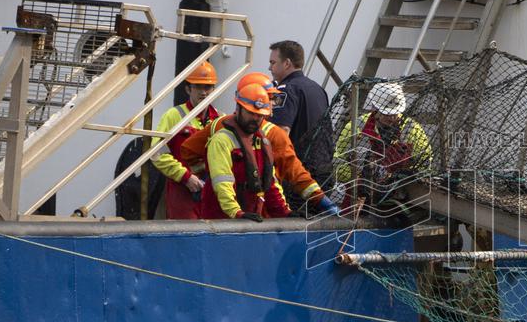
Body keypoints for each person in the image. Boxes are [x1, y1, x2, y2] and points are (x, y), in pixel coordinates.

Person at [181, 73, 340, 216]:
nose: (271, 103)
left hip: (239, 210)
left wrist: (207, 174)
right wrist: (320, 199)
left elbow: (187, 151)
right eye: (270, 98)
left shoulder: (220, 123)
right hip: (247, 212)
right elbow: (294, 172)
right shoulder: (273, 134)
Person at [333, 82, 432, 217]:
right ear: (375, 109)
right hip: (357, 202)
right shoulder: (356, 127)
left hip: (396, 205)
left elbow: (426, 163)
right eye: (387, 113)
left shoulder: (412, 129)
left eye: (395, 113)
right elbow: (337, 161)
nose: (392, 118)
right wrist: (358, 181)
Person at [199, 83, 291, 221]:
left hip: (250, 219)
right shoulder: (221, 141)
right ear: (238, 109)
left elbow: (270, 184)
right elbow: (222, 184)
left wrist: (285, 213)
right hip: (221, 222)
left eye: (259, 115)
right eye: (250, 113)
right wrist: (237, 213)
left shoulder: (262, 142)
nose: (255, 119)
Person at [150, 60, 221, 219]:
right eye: (198, 87)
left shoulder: (220, 119)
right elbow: (156, 153)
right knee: (184, 233)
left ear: (214, 89)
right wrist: (186, 177)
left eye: (208, 87)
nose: (204, 92)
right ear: (188, 89)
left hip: (212, 193)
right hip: (182, 191)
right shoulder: (173, 116)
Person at [268, 40, 335, 197]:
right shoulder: (318, 89)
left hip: (298, 174)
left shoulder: (285, 90)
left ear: (287, 63)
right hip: (323, 170)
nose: (269, 68)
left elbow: (281, 132)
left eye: (273, 62)